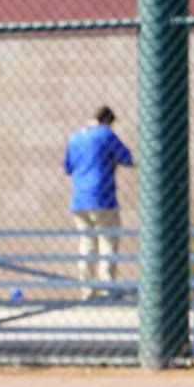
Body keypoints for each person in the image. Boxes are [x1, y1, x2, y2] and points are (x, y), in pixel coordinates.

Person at [62, 106, 134, 299]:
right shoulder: (105, 134)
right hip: (104, 198)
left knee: (86, 243)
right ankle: (107, 287)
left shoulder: (74, 137)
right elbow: (126, 158)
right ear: (108, 121)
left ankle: (87, 289)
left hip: (79, 199)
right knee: (108, 242)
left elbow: (67, 167)